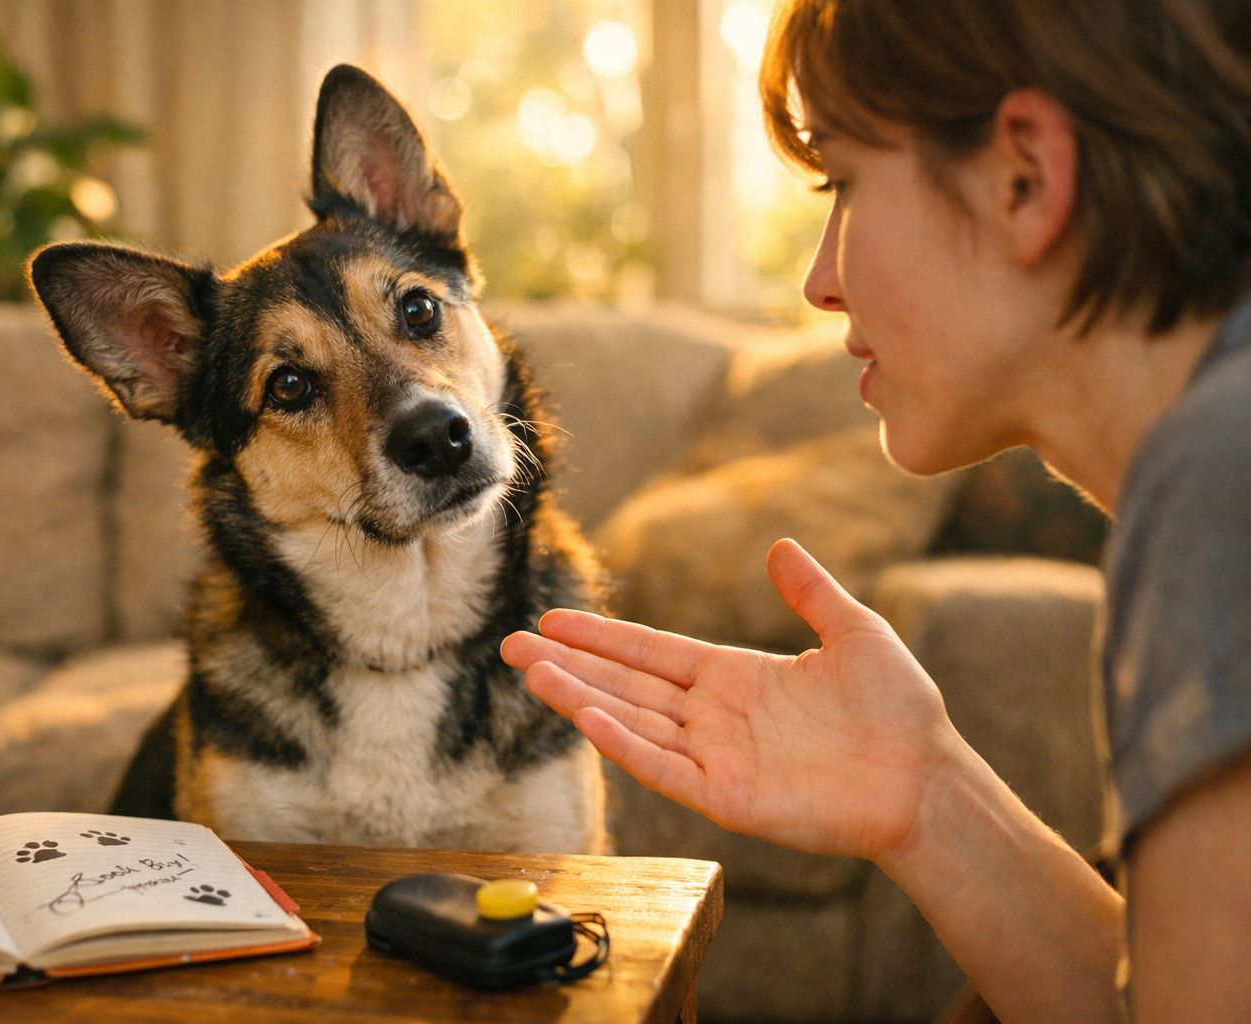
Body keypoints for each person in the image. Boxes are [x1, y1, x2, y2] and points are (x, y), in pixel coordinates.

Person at [500, 1, 1251, 1021]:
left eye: (844, 182)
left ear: (1023, 178)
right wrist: (927, 793)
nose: (818, 281)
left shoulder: (1217, 478)